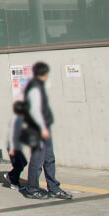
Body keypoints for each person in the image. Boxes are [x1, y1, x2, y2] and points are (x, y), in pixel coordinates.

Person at [23, 62, 72, 200]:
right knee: (38, 159)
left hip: (43, 127)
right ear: (43, 74)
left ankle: (54, 188)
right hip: (38, 128)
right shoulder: (34, 88)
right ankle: (32, 189)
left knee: (49, 158)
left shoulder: (38, 86)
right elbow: (35, 111)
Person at [6, 100, 29, 191]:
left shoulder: (20, 119)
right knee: (19, 165)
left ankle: (11, 175)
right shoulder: (17, 120)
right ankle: (14, 182)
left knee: (23, 162)